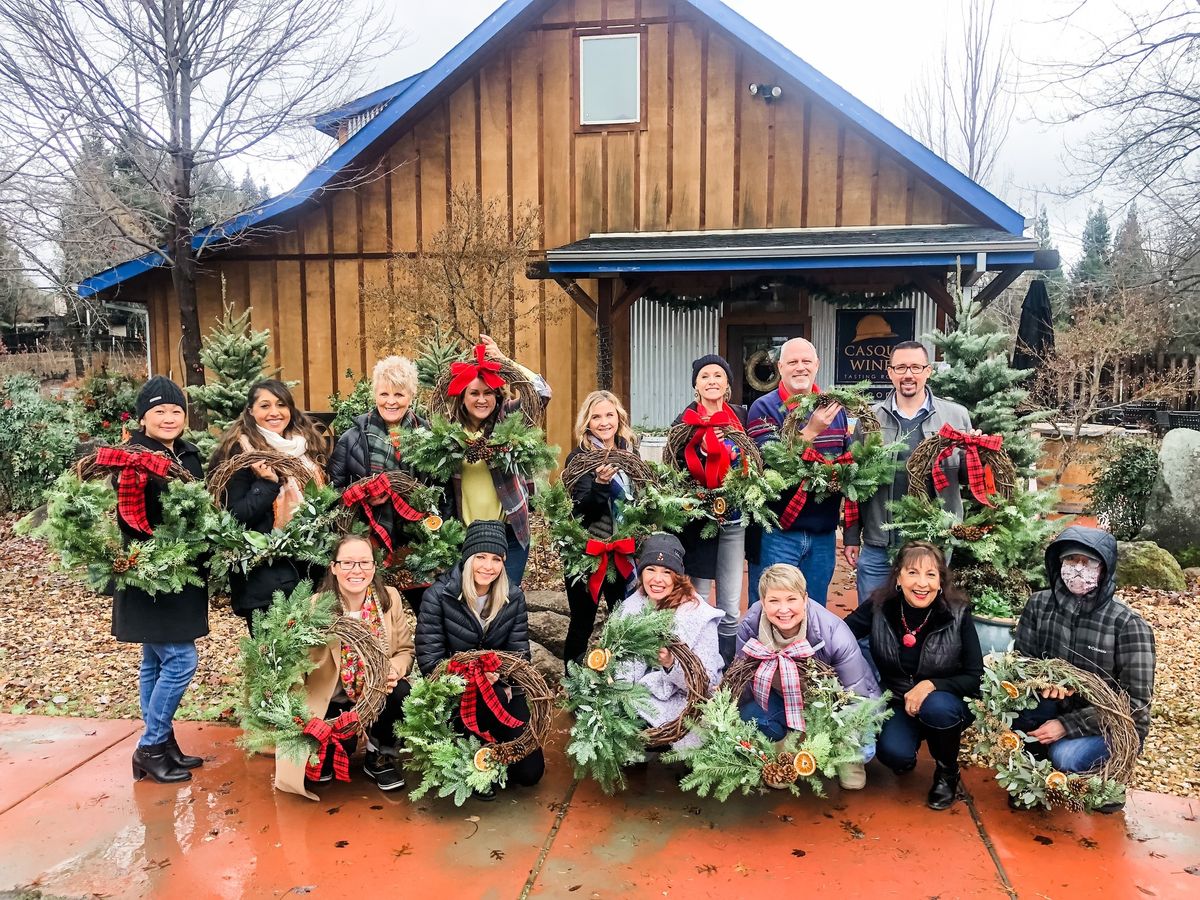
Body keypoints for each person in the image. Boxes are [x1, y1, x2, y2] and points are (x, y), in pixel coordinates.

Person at [1011, 526, 1155, 813]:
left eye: (1087, 562)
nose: (1078, 569)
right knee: (1019, 711)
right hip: (1055, 706)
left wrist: (1068, 726)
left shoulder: (1127, 626)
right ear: (1058, 564)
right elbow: (1021, 661)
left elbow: (1136, 705)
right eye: (1070, 560)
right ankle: (1033, 779)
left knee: (1065, 755)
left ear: (1104, 568)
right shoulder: (1039, 606)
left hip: (1108, 726)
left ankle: (1107, 780)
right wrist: (1039, 682)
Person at [115, 376, 208, 784]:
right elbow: (130, 519)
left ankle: (164, 744)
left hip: (185, 575)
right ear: (143, 418)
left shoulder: (189, 455)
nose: (169, 418)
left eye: (176, 411)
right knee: (181, 660)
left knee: (154, 661)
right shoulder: (134, 459)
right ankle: (150, 746)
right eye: (159, 411)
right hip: (152, 574)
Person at [844, 541, 982, 810]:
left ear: (941, 581)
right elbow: (839, 634)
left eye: (931, 575)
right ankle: (909, 748)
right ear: (898, 576)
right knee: (893, 754)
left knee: (937, 709)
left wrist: (930, 685)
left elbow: (975, 676)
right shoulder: (880, 606)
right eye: (913, 573)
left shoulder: (957, 613)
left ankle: (946, 773)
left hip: (949, 702)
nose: (922, 583)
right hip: (897, 699)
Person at [275, 534, 415, 799]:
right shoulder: (314, 607)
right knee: (336, 753)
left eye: (364, 563)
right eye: (348, 563)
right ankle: (330, 746)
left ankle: (379, 755)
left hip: (377, 693)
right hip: (332, 697)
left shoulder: (390, 599)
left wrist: (394, 668)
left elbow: (405, 650)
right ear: (334, 568)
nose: (356, 570)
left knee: (401, 693)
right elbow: (294, 662)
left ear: (374, 568)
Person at [416, 520, 544, 796]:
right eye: (481, 557)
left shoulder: (513, 597)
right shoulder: (438, 597)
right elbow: (430, 660)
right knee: (488, 696)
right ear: (468, 558)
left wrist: (501, 678)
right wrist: (469, 677)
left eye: (496, 559)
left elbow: (520, 654)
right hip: (457, 692)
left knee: (530, 773)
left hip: (503, 689)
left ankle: (496, 752)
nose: (488, 566)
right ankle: (473, 754)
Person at [842, 341, 973, 603]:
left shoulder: (956, 417)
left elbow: (968, 480)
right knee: (872, 618)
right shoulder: (871, 419)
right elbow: (853, 482)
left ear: (928, 371)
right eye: (900, 367)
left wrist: (976, 458)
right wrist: (851, 536)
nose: (908, 375)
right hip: (880, 542)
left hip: (933, 542)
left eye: (915, 367)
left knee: (928, 619)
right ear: (890, 372)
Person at [735, 564, 881, 790]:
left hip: (834, 702)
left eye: (791, 599)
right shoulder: (751, 624)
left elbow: (857, 693)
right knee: (752, 717)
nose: (783, 609)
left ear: (804, 599)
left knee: (862, 753)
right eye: (774, 601)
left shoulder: (832, 632)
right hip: (782, 697)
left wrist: (852, 733)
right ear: (763, 602)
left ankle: (845, 755)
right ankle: (785, 751)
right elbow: (741, 673)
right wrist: (729, 708)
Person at [210, 379, 329, 632]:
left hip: (308, 568)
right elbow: (234, 517)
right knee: (274, 660)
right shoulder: (239, 452)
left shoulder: (305, 448)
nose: (274, 412)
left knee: (312, 659)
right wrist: (267, 484)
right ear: (251, 411)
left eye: (281, 404)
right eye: (265, 405)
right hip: (264, 576)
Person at [747, 338, 851, 607]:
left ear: (817, 365)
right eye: (792, 362)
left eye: (806, 361)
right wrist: (812, 430)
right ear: (780, 367)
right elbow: (770, 466)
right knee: (771, 610)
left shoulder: (835, 409)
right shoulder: (764, 408)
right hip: (779, 533)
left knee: (813, 611)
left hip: (824, 534)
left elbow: (848, 466)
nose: (800, 368)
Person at [442, 334, 551, 587]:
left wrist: (504, 362)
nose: (482, 399)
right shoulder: (449, 432)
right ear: (462, 396)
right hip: (466, 534)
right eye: (475, 393)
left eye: (488, 393)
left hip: (509, 532)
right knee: (470, 604)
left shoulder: (507, 420)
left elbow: (542, 392)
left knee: (506, 601)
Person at [328, 355, 434, 615]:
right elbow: (332, 492)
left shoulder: (428, 436)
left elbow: (439, 487)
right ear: (375, 393)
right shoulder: (353, 438)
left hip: (416, 542)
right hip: (371, 540)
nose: (391, 401)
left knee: (429, 611)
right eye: (384, 393)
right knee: (374, 612)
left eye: (399, 394)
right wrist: (365, 498)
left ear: (411, 395)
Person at [613, 533, 724, 750]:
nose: (657, 579)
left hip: (683, 701)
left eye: (667, 572)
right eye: (651, 569)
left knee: (674, 733)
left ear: (678, 576)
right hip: (638, 695)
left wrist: (671, 665)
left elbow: (707, 683)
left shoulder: (699, 616)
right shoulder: (630, 608)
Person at [672, 354, 748, 664]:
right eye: (705, 376)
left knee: (730, 603)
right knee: (698, 599)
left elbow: (752, 461)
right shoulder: (684, 421)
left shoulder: (740, 417)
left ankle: (728, 666)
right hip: (699, 521)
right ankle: (698, 664)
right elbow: (675, 469)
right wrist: (700, 453)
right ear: (696, 385)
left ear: (728, 383)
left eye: (718, 375)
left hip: (734, 519)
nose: (712, 381)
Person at [561, 390, 638, 671]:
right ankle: (573, 682)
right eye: (596, 417)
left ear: (619, 417)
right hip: (587, 554)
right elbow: (581, 512)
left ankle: (621, 679)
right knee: (582, 621)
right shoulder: (579, 459)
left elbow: (639, 499)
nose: (604, 422)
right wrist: (601, 485)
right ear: (587, 423)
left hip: (622, 551)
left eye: (609, 414)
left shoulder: (630, 453)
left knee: (623, 618)